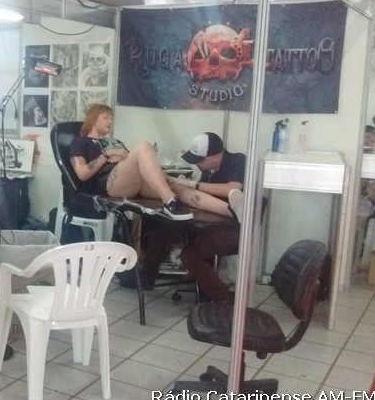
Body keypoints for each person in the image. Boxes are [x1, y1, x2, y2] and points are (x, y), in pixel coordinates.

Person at [120, 132, 246, 304]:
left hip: (236, 227)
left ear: (217, 155)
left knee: (191, 254)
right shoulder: (208, 170)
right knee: (160, 233)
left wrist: (192, 184)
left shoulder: (237, 160)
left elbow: (232, 189)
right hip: (207, 223)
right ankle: (145, 280)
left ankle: (223, 299)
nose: (197, 165)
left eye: (200, 160)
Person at [69, 104, 192, 221]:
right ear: (92, 119)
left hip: (130, 182)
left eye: (111, 119)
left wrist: (170, 178)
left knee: (179, 189)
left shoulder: (116, 142)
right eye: (105, 117)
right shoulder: (81, 142)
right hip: (108, 183)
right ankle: (170, 201)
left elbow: (134, 163)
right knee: (144, 146)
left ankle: (196, 196)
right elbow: (82, 174)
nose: (110, 121)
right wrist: (108, 154)